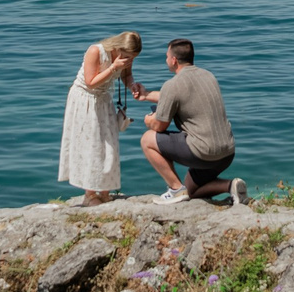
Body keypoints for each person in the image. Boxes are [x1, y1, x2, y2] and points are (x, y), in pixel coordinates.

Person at [138, 37, 243, 206]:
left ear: (173, 60)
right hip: (227, 152)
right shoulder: (208, 76)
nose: (165, 60)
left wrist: (149, 120)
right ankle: (231, 186)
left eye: (166, 57)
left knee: (147, 139)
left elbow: (160, 125)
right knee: (192, 192)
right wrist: (146, 95)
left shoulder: (172, 85)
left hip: (204, 152)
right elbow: (180, 97)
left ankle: (175, 189)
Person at [59, 31, 147, 205]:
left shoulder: (126, 56)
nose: (130, 60)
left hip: (104, 99)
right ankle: (90, 193)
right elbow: (91, 82)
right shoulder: (95, 51)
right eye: (128, 56)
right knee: (91, 144)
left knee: (109, 144)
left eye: (133, 57)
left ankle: (105, 191)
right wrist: (113, 67)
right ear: (118, 47)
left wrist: (132, 85)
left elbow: (126, 75)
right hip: (86, 99)